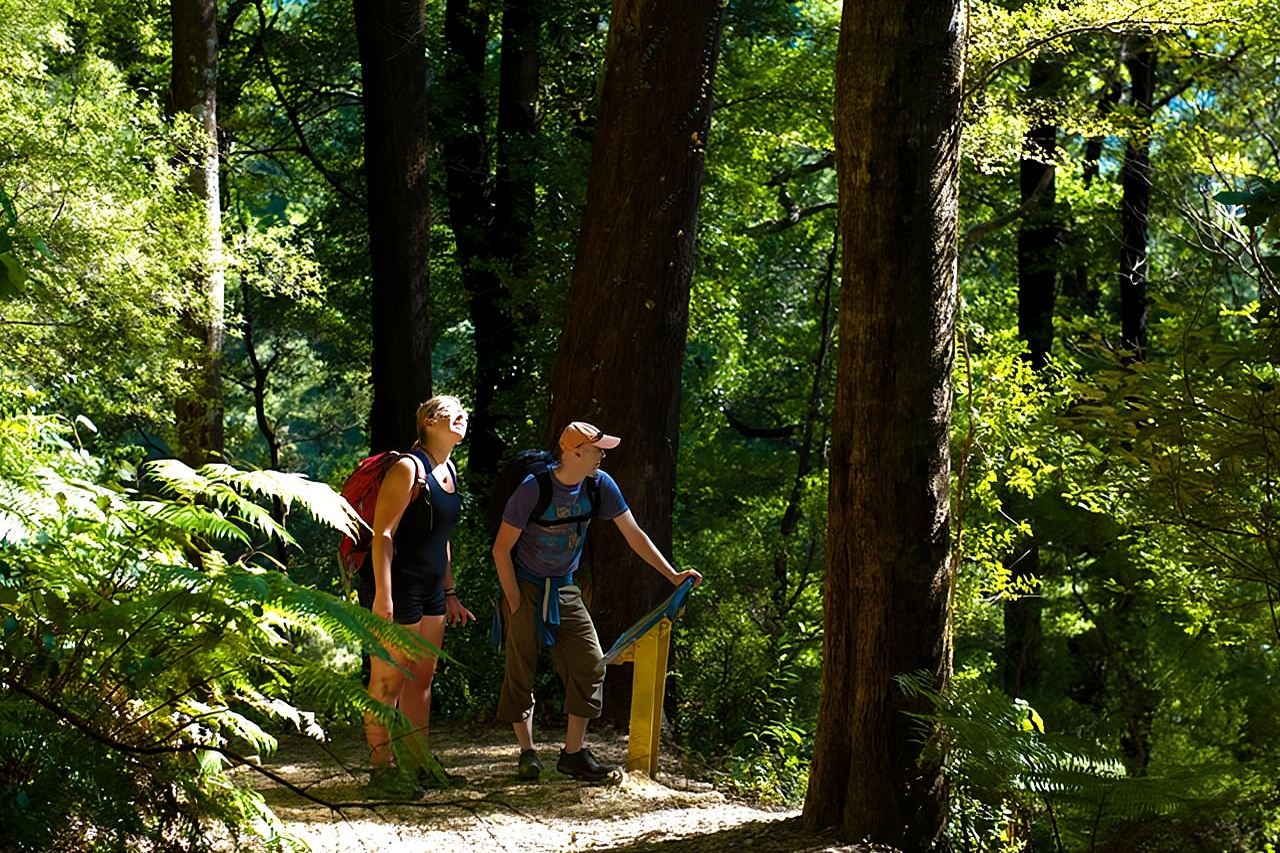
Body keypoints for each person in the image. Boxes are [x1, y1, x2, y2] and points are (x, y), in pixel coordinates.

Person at [491, 421, 702, 783]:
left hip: (565, 587)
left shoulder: (600, 486)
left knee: (591, 664)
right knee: (520, 669)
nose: (602, 455)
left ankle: (573, 754)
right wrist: (514, 601)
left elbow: (634, 535)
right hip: (525, 586)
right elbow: (501, 549)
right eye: (596, 449)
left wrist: (672, 575)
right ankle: (527, 753)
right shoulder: (533, 489)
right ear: (573, 452)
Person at [362, 395, 475, 794]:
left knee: (422, 678)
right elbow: (383, 535)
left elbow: (441, 539)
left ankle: (419, 763)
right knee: (388, 681)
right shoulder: (409, 468)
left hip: (431, 592)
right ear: (429, 420)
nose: (464, 417)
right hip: (400, 587)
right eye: (455, 413)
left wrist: (450, 592)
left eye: (465, 413)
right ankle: (382, 771)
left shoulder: (449, 469)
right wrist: (383, 595)